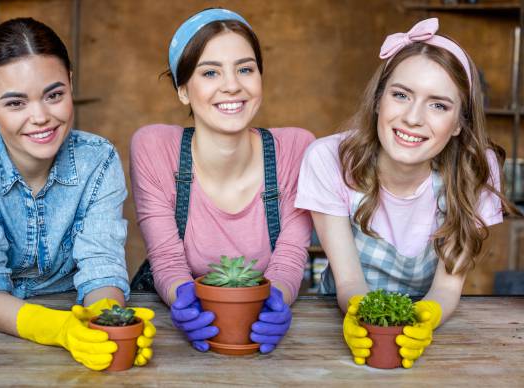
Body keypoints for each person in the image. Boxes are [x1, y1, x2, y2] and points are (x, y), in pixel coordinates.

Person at [295, 18, 520, 368]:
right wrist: (367, 319)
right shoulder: (328, 159)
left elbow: (445, 289)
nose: (413, 118)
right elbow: (350, 280)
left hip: (433, 329)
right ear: (378, 101)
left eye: (439, 105)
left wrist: (425, 317)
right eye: (401, 95)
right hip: (342, 319)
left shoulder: (476, 171)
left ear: (460, 122)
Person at [0, 17, 155, 371]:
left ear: (70, 83)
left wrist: (110, 322)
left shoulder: (98, 159)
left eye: (54, 95)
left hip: (74, 309)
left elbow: (101, 266)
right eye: (16, 103)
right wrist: (56, 329)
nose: (41, 117)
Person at [130, 8, 314, 353]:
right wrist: (182, 299)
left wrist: (276, 299)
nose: (232, 86)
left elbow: (289, 258)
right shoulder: (154, 147)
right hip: (172, 321)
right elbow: (167, 260)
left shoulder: (296, 148)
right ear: (183, 89)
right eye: (210, 72)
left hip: (259, 316)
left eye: (245, 69)